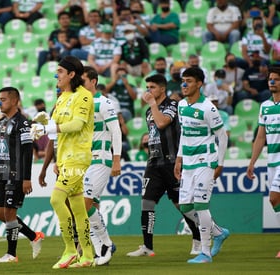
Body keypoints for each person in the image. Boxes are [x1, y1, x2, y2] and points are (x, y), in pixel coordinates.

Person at [127, 74, 201, 258]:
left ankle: (199, 238)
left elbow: (161, 124)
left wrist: (152, 104)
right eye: (147, 87)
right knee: (147, 202)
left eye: (152, 87)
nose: (148, 91)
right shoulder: (148, 111)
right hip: (154, 163)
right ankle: (147, 246)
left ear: (162, 89)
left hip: (171, 162)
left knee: (181, 205)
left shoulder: (173, 105)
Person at [30, 56, 94, 268]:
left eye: (59, 71)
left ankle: (69, 250)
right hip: (66, 158)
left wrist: (49, 129)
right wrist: (42, 124)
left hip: (78, 157)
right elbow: (57, 127)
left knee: (56, 200)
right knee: (78, 209)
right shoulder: (63, 97)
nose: (55, 75)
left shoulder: (84, 96)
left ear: (71, 74)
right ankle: (87, 255)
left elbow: (76, 124)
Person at [0, 86, 44, 263]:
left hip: (18, 174)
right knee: (0, 214)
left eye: (3, 99)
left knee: (10, 214)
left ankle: (11, 254)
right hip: (3, 174)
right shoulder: (2, 123)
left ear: (14, 101)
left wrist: (27, 178)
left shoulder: (23, 123)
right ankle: (34, 236)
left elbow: (28, 152)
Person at [174, 67, 230, 264]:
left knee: (200, 205)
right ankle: (218, 232)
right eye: (183, 81)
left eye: (189, 81)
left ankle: (205, 252)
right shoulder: (181, 105)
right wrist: (179, 159)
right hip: (187, 163)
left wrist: (220, 163)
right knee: (186, 207)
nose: (184, 84)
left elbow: (222, 136)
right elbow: (185, 135)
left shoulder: (208, 108)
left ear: (199, 84)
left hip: (205, 162)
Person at [81, 66, 122, 265]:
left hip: (101, 158)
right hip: (82, 161)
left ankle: (105, 244)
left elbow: (117, 131)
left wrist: (117, 159)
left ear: (93, 81)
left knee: (84, 204)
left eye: (84, 80)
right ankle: (99, 249)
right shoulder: (79, 104)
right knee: (88, 206)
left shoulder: (104, 103)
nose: (80, 84)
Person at [246, 66, 280, 259]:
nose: (272, 82)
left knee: (274, 198)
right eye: (270, 79)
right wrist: (252, 162)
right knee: (276, 202)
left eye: (276, 79)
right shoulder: (265, 106)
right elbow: (261, 137)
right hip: (272, 161)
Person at [36, 11, 79, 76]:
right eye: (62, 18)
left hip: (66, 52)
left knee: (66, 53)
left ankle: (65, 74)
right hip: (54, 52)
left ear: (70, 20)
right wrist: (54, 50)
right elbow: (50, 44)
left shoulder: (73, 32)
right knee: (42, 53)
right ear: (59, 21)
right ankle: (39, 74)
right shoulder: (54, 32)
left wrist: (63, 42)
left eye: (67, 18)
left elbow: (71, 45)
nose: (65, 20)